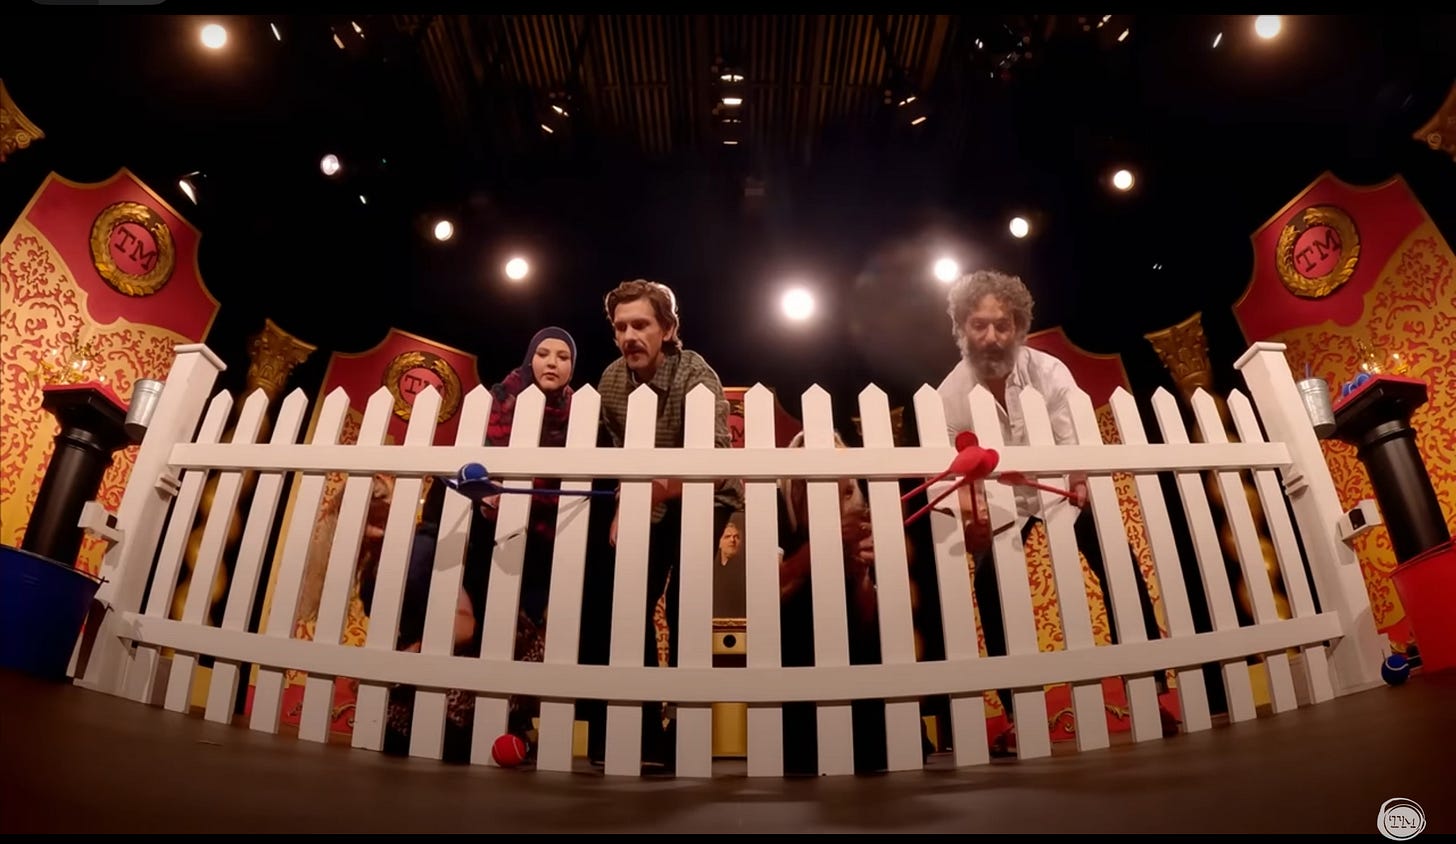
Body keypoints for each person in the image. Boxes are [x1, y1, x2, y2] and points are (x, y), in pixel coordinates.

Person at [934, 270, 1173, 756]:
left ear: (1019, 326)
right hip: (1002, 502)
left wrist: (1079, 479)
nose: (992, 337)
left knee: (1119, 565)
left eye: (1003, 325)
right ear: (961, 327)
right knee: (990, 590)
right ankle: (1016, 716)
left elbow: (1074, 438)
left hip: (1062, 489)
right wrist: (972, 512)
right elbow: (953, 473)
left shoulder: (1050, 372)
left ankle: (1152, 696)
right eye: (979, 325)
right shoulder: (948, 394)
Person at [384, 326, 579, 762]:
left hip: (538, 547)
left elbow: (571, 491)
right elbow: (456, 472)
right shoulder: (496, 401)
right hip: (474, 538)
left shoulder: (579, 419)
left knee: (511, 636)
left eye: (563, 356)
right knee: (459, 627)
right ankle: (413, 709)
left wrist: (521, 501)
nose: (552, 362)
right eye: (543, 353)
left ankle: (503, 729)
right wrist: (483, 492)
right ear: (530, 358)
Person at [586, 279, 741, 771]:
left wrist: (657, 489)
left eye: (641, 325)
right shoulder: (611, 380)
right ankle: (644, 732)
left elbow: (717, 461)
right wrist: (621, 507)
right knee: (626, 601)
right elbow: (620, 458)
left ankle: (686, 730)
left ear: (667, 329)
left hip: (705, 494)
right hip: (647, 497)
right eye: (621, 327)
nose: (630, 335)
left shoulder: (697, 373)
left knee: (682, 607)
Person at [776, 430, 886, 775]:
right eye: (821, 489)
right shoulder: (778, 524)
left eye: (846, 490)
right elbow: (770, 597)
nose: (840, 500)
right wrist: (825, 540)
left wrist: (860, 574)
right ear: (797, 491)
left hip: (857, 676)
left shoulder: (859, 530)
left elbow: (868, 620)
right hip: (797, 681)